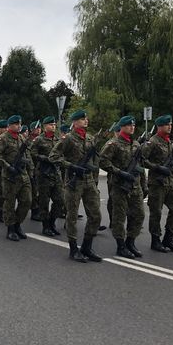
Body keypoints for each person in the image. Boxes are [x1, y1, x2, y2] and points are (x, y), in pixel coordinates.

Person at [49, 110, 103, 262]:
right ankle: (73, 249)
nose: (86, 120)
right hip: (74, 181)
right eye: (82, 119)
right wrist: (71, 166)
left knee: (96, 215)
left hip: (89, 181)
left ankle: (87, 246)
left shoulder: (90, 138)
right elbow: (53, 156)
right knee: (71, 216)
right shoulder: (68, 139)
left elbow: (94, 160)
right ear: (74, 122)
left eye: (86, 118)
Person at [99, 115, 146, 259]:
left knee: (139, 215)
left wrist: (144, 184)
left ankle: (130, 242)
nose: (132, 128)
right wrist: (120, 172)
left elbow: (141, 166)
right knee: (119, 218)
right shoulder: (113, 144)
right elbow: (103, 161)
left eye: (133, 125)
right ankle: (121, 246)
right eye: (128, 126)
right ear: (122, 127)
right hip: (120, 186)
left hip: (135, 186)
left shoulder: (137, 144)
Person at [142, 115, 173, 253]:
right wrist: (157, 167)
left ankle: (169, 238)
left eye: (170, 124)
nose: (169, 127)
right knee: (156, 213)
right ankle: (156, 240)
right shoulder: (152, 142)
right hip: (157, 183)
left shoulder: (169, 142)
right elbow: (142, 160)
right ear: (159, 126)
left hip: (171, 183)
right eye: (166, 125)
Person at [0, 115, 32, 242]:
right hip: (10, 176)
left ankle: (17, 224)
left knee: (27, 201)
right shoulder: (2, 139)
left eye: (19, 123)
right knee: (9, 203)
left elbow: (27, 155)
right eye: (15, 124)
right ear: (9, 126)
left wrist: (30, 169)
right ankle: (10, 229)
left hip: (23, 174)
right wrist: (8, 167)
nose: (19, 126)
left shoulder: (21, 137)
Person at [31, 116, 64, 237]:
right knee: (44, 201)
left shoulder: (58, 139)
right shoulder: (39, 139)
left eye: (54, 125)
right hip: (44, 174)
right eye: (51, 125)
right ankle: (46, 226)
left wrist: (59, 160)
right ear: (45, 126)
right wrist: (44, 159)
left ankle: (52, 222)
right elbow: (32, 153)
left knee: (60, 200)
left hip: (56, 173)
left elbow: (62, 153)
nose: (53, 126)